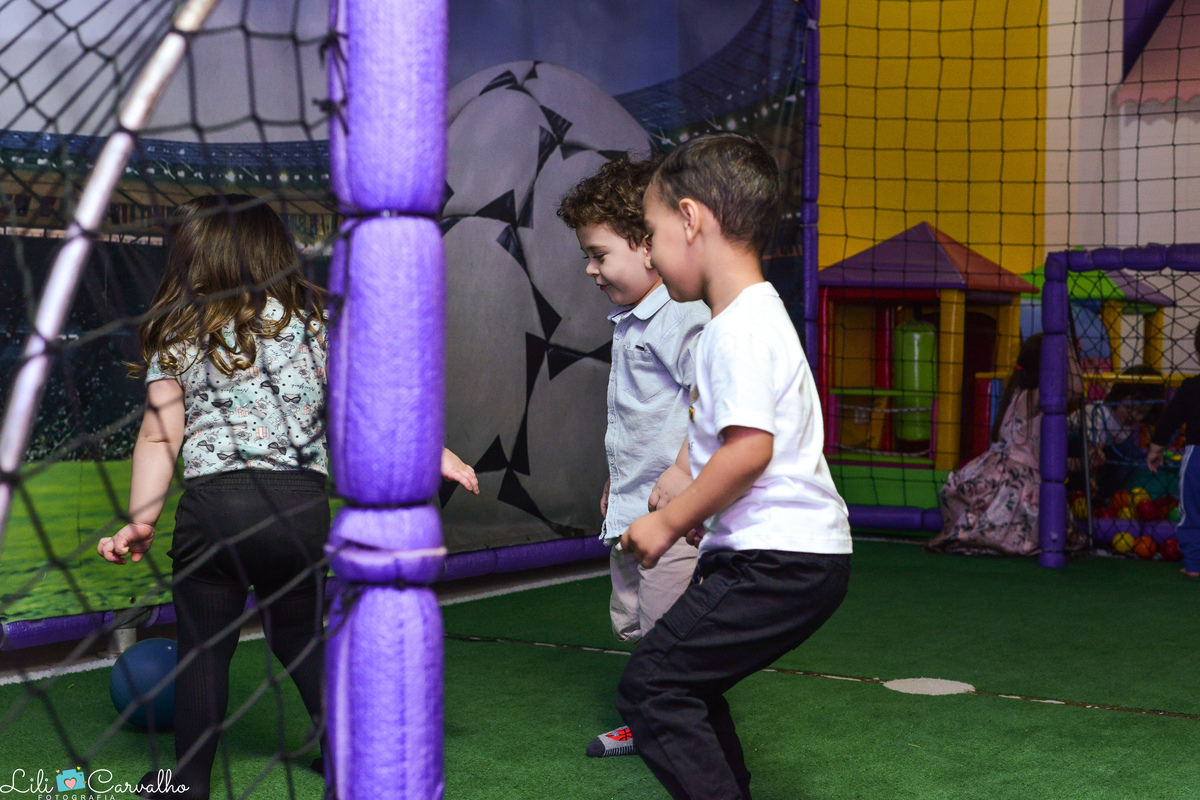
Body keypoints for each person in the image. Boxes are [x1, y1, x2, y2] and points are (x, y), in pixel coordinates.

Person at [97, 195, 478, 798]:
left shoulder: (179, 328)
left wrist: (140, 520)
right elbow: (368, 403)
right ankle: (347, 758)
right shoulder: (311, 321)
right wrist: (434, 452)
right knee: (299, 637)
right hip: (297, 509)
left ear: (194, 259)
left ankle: (189, 781)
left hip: (213, 514)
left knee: (204, 648)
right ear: (276, 253)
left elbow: (158, 433)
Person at [615, 133, 852, 800]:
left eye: (654, 234)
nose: (654, 258)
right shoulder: (758, 315)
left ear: (691, 221)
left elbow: (752, 449)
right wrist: (705, 513)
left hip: (778, 560)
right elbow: (748, 448)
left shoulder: (736, 328)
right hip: (781, 556)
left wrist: (670, 522)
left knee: (652, 686)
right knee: (686, 681)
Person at [556, 154, 710, 757]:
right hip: (633, 507)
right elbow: (637, 419)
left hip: (676, 517)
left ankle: (666, 728)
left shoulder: (679, 315)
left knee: (668, 637)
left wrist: (681, 471)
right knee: (635, 624)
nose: (592, 270)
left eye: (600, 255)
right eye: (587, 257)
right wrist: (617, 483)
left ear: (649, 247)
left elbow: (713, 398)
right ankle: (657, 718)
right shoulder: (631, 320)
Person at [929, 334, 1086, 556]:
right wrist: (1069, 352)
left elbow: (1043, 457)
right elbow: (1077, 390)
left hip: (998, 467)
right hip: (1014, 477)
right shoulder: (1034, 397)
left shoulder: (1018, 390)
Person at [1146, 326, 1200, 578]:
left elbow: (1170, 419)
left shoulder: (1191, 387)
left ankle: (1195, 565)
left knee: (1191, 509)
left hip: (1197, 456)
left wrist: (1155, 449)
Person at [1068, 365, 1163, 507]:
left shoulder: (1123, 408)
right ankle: (1078, 491)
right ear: (1119, 397)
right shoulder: (1100, 414)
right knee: (1091, 448)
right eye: (1129, 408)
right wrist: (1091, 480)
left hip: (1099, 450)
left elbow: (1112, 389)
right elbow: (1092, 450)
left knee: (1132, 453)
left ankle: (1103, 496)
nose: (1133, 415)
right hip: (1068, 446)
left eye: (1141, 412)